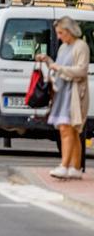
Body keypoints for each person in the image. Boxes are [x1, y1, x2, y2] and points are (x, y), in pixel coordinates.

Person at [35, 16, 90, 180]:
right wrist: (48, 61)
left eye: (60, 33)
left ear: (69, 31)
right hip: (62, 92)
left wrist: (58, 67)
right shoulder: (63, 48)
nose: (58, 36)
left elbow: (81, 70)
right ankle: (75, 167)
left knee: (68, 129)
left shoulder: (81, 46)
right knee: (70, 130)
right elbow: (60, 68)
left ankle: (65, 166)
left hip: (74, 93)